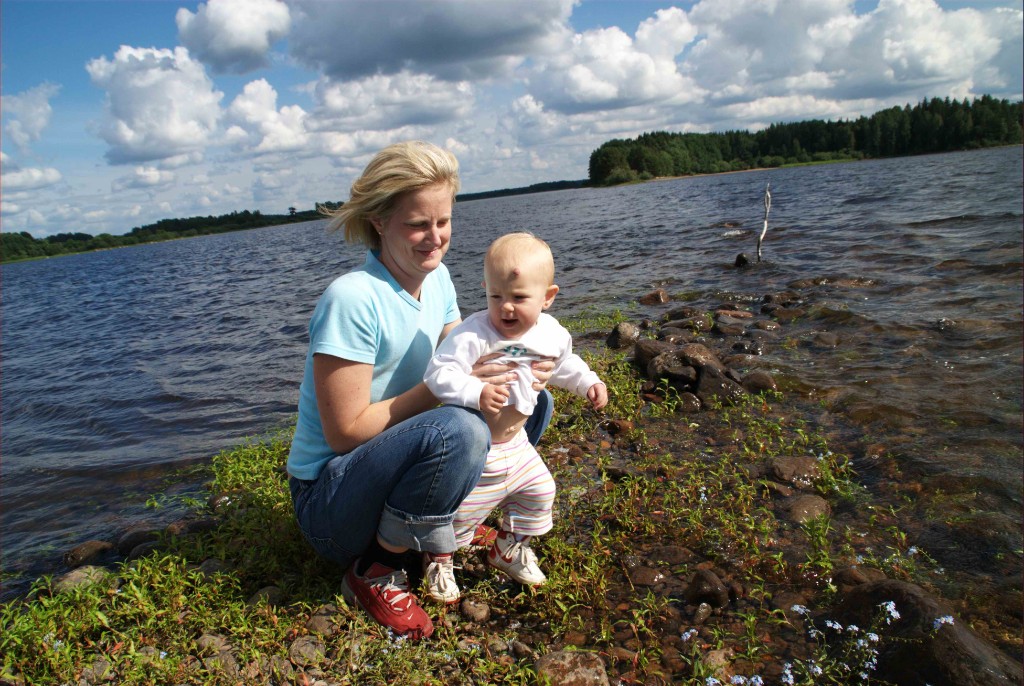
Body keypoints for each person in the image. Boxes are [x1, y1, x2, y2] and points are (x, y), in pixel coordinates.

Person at [286, 142, 554, 640]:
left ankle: (458, 524)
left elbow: (462, 350)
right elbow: (344, 434)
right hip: (332, 501)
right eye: (417, 224)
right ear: (379, 222)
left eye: (443, 221)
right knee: (459, 428)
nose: (435, 238)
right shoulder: (353, 299)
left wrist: (517, 366)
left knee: (530, 400)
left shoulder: (438, 278)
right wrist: (441, 391)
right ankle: (372, 570)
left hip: (392, 461)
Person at [423, 232, 608, 593]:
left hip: (518, 444)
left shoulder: (549, 334)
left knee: (541, 492)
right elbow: (437, 373)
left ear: (548, 297)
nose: (505, 307)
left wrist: (588, 382)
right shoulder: (474, 334)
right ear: (485, 289)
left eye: (519, 298)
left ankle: (508, 547)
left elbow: (563, 364)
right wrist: (474, 390)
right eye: (496, 296)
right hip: (477, 449)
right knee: (460, 515)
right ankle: (438, 560)